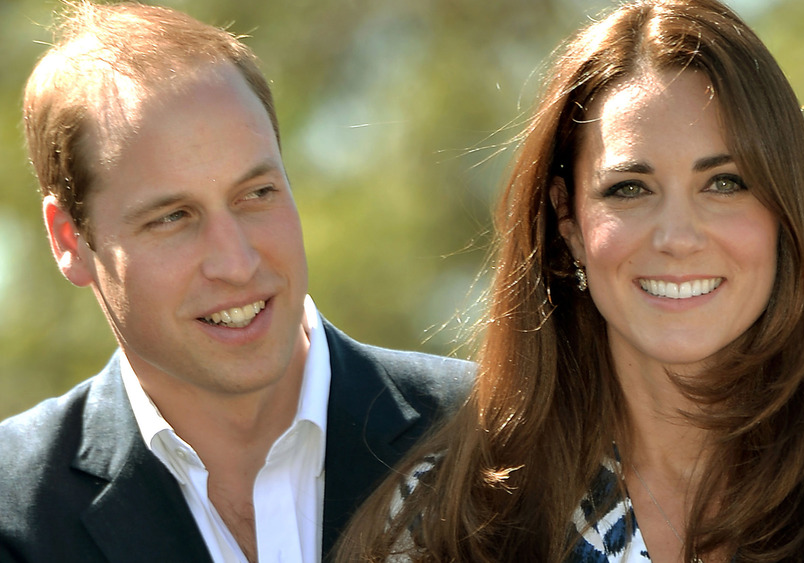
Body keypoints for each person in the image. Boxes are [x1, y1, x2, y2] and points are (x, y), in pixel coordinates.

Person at [332, 0, 804, 561]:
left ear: (782, 214)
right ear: (567, 222)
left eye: (725, 183)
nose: (677, 237)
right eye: (629, 188)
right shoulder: (448, 528)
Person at [0, 2, 472, 562]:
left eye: (257, 194)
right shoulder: (15, 508)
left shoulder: (493, 437)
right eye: (172, 217)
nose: (237, 261)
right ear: (69, 241)